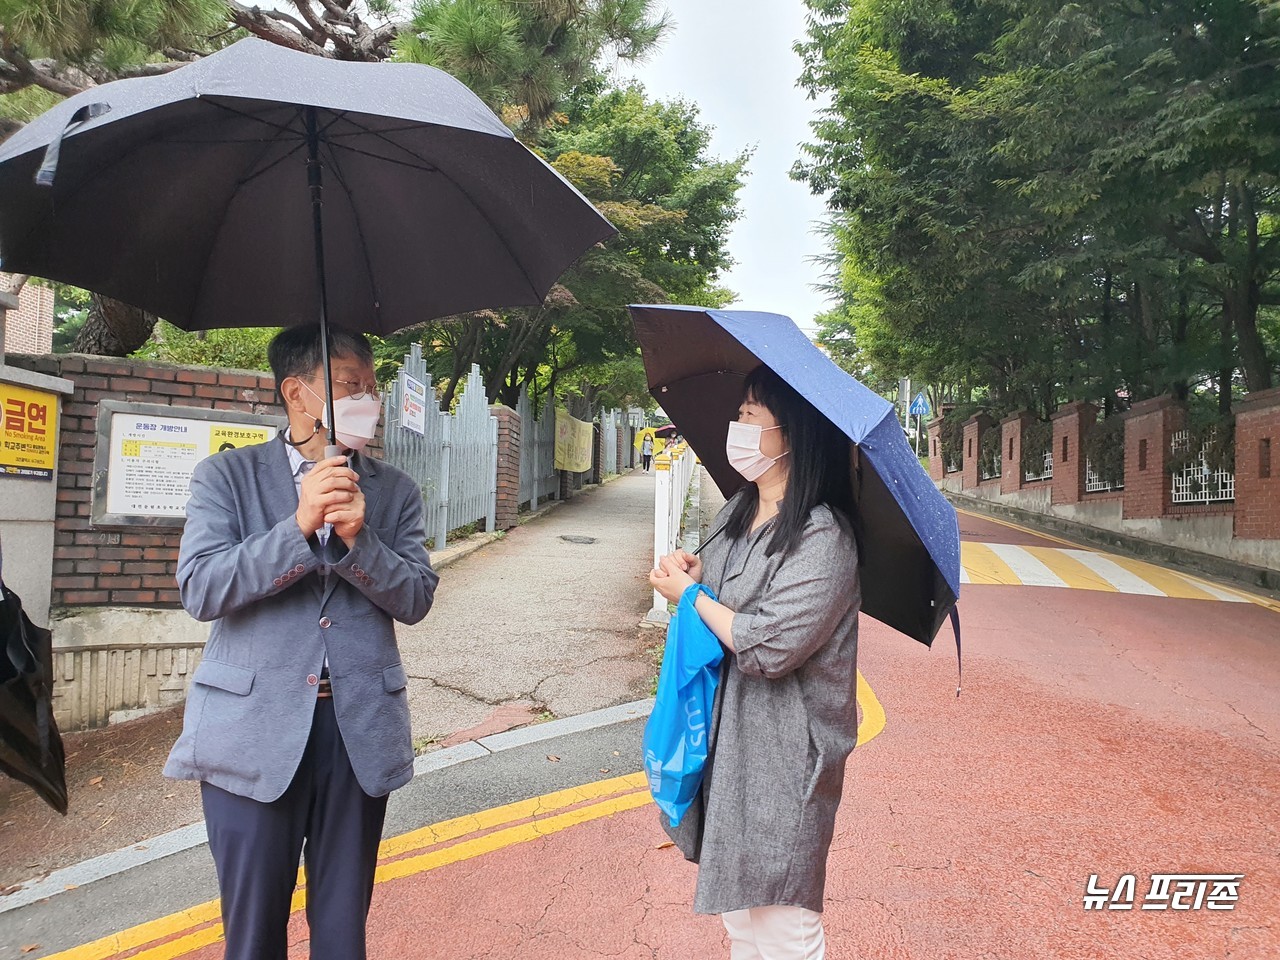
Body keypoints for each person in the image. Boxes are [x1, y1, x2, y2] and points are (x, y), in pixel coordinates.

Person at [164, 325, 438, 960]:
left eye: (371, 388)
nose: (368, 400)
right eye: (349, 387)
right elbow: (202, 589)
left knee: (343, 933)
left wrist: (357, 543)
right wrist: (298, 527)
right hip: (249, 732)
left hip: (356, 730)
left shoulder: (393, 491)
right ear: (298, 393)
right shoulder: (225, 477)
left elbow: (417, 597)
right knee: (253, 934)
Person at [649, 364, 860, 960]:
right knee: (743, 921)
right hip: (727, 740)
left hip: (787, 753)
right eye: (739, 413)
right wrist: (696, 579)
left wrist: (692, 598)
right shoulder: (734, 515)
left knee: (784, 928)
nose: (736, 426)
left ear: (788, 434)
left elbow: (769, 646)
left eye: (750, 415)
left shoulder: (823, 538)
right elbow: (717, 616)